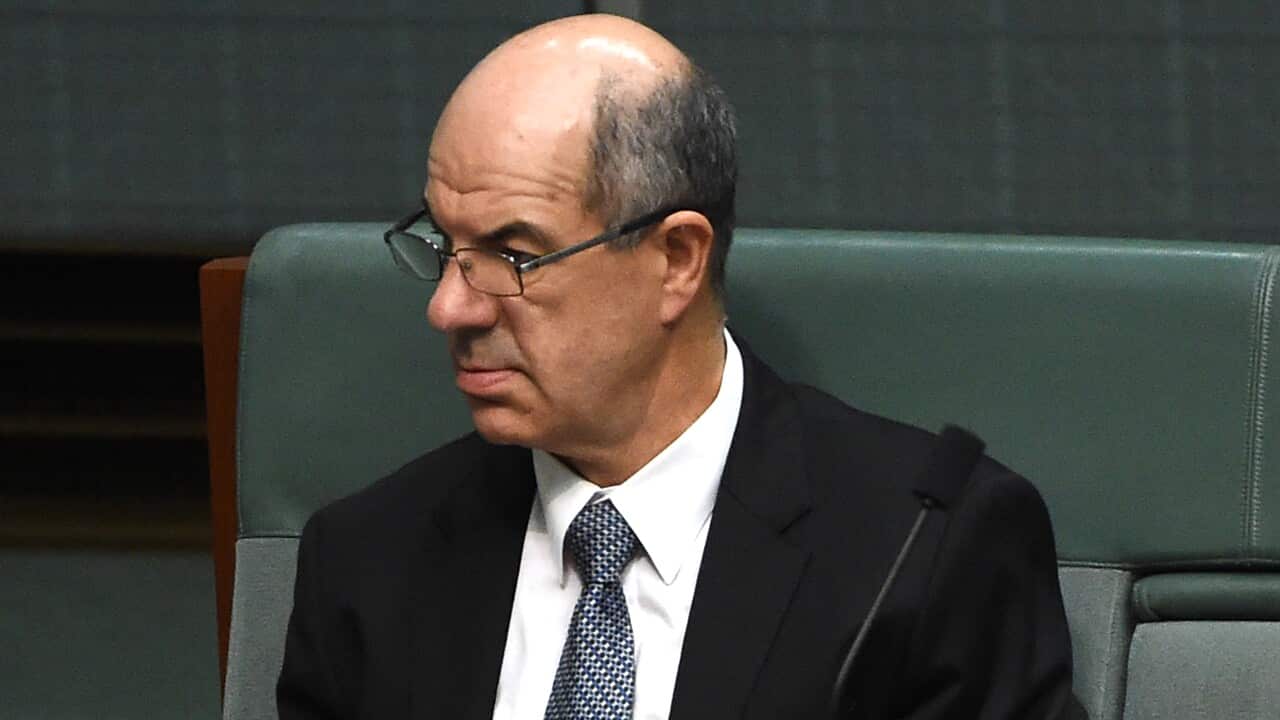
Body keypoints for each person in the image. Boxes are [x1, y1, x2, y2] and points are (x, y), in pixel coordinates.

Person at [277, 13, 1076, 719]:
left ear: (677, 260)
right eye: (444, 246)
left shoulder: (923, 553)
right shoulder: (364, 564)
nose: (450, 307)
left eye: (513, 255)